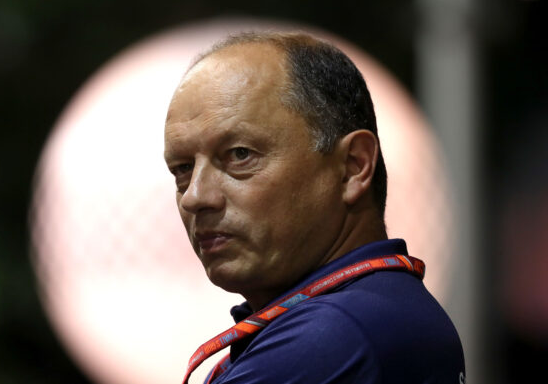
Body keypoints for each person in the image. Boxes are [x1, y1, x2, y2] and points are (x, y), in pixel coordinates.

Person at [163, 31, 465, 384]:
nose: (195, 196)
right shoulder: (385, 309)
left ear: (353, 166)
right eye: (182, 168)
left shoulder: (335, 334)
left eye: (240, 155)